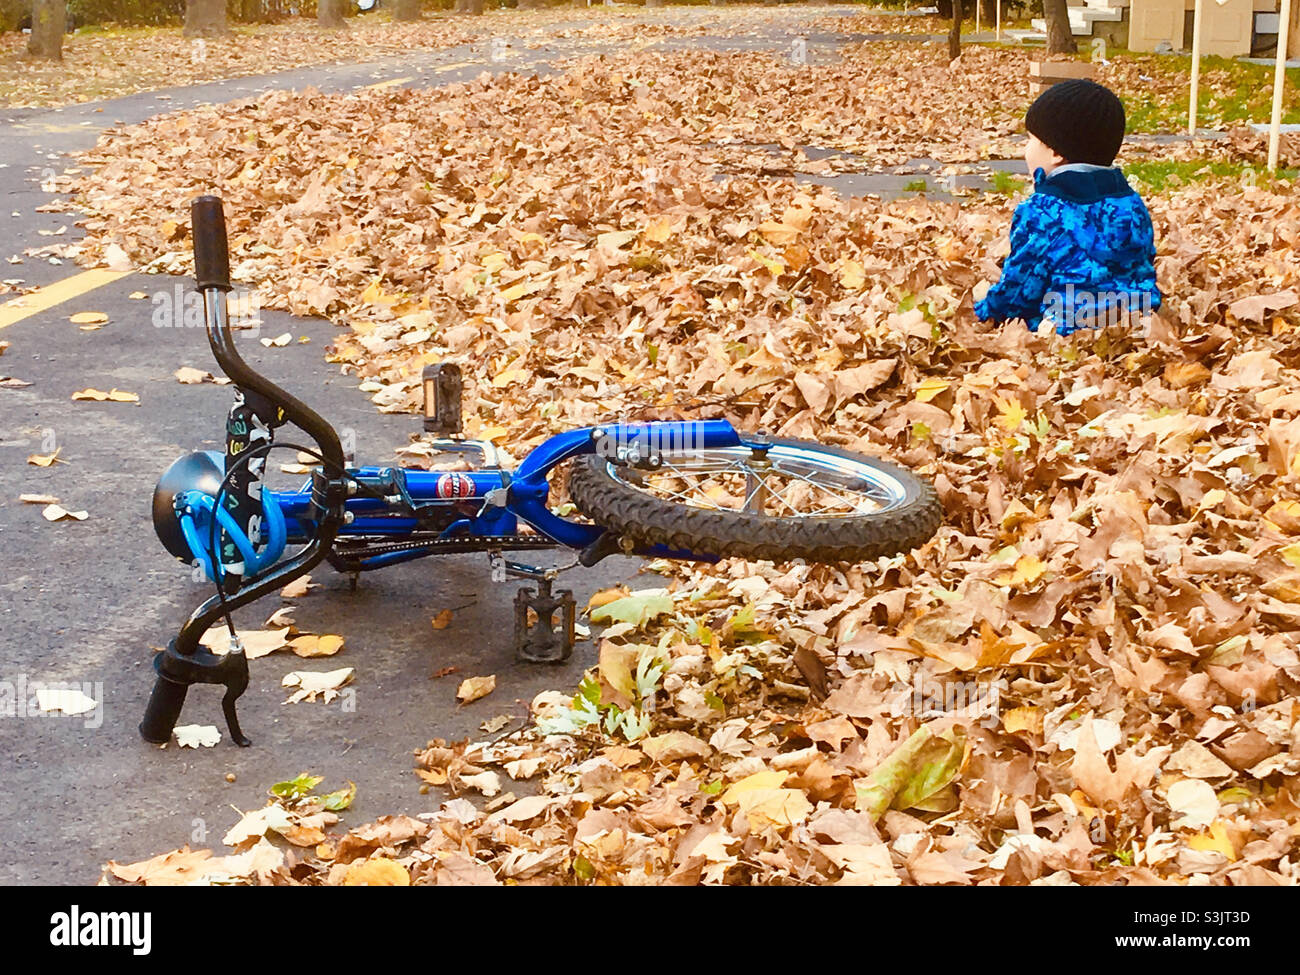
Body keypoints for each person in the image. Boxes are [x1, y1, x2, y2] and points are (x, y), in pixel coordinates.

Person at [974, 79, 1162, 335]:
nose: (1025, 150)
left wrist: (985, 312)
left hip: (1068, 328)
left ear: (1055, 153)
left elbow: (1021, 286)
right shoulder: (1132, 203)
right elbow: (1143, 262)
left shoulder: (1043, 211)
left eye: (1030, 140)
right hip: (1137, 322)